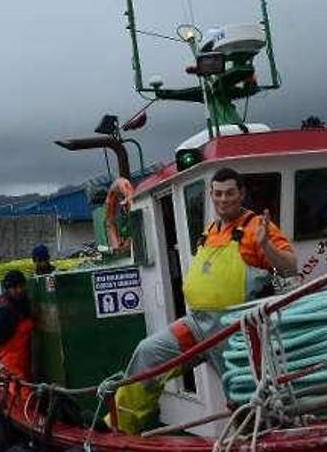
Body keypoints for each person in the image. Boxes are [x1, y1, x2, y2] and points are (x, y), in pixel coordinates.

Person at [112, 167, 297, 434]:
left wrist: (266, 245)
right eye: (218, 193)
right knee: (148, 353)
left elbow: (290, 266)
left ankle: (262, 438)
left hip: (236, 332)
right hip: (198, 325)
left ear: (241, 194)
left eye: (230, 193)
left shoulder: (257, 226)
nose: (223, 199)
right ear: (211, 194)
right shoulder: (211, 230)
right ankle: (122, 429)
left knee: (245, 395)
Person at [0, 270, 34, 388]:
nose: (19, 290)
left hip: (24, 359)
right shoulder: (4, 310)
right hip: (11, 363)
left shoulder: (22, 301)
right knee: (21, 394)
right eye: (14, 287)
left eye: (21, 286)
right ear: (7, 288)